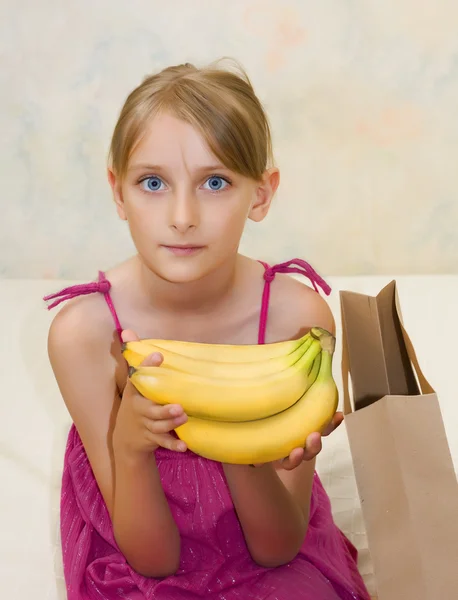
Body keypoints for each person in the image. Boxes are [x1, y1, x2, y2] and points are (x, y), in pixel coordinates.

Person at [44, 60, 371, 600]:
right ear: (118, 193)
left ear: (261, 195)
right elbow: (152, 562)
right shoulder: (83, 336)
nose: (182, 215)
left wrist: (235, 437)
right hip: (144, 552)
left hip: (268, 555)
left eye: (214, 182)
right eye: (152, 182)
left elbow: (277, 548)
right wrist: (129, 445)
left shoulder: (298, 324)